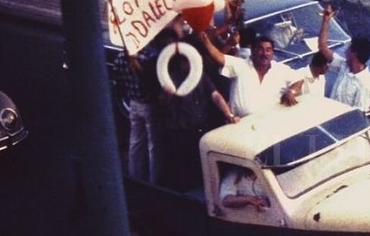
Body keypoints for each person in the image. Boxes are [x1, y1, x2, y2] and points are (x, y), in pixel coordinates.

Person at [158, 16, 238, 189]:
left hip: (199, 130)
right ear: (182, 62)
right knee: (181, 172)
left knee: (199, 170)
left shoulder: (200, 76)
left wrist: (228, 114)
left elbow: (215, 95)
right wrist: (168, 95)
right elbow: (162, 104)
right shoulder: (171, 77)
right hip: (180, 134)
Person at [199, 31, 297, 118]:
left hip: (269, 123)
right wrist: (206, 41)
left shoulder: (280, 70)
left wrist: (291, 92)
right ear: (252, 51)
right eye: (260, 49)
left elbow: (298, 79)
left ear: (272, 53)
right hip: (240, 125)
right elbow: (219, 57)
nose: (264, 53)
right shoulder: (240, 65)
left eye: (268, 50)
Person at [114, 38, 162, 184]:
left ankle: (135, 176)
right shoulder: (147, 58)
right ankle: (155, 180)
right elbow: (151, 81)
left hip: (134, 102)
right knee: (154, 146)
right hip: (149, 104)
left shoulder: (120, 58)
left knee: (135, 142)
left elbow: (119, 83)